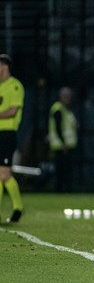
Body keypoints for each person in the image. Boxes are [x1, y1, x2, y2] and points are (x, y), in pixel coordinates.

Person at [0, 54, 25, 223]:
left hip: (7, 134)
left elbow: (13, 111)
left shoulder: (15, 86)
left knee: (4, 174)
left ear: (5, 67)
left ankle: (18, 207)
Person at [48, 87, 78, 192]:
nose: (69, 99)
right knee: (61, 169)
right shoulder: (58, 109)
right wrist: (63, 143)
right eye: (66, 96)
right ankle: (60, 189)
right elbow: (57, 127)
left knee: (67, 169)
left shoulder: (66, 109)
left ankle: (65, 189)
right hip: (60, 145)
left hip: (67, 144)